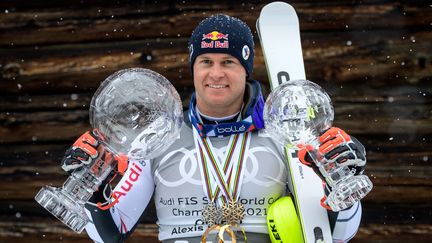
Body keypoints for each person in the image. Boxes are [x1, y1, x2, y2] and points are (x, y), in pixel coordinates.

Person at [61, 14, 366, 243]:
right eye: (205, 61)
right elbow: (109, 234)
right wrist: (96, 189)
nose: (216, 73)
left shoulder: (283, 134)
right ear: (193, 68)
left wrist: (338, 180)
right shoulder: (157, 138)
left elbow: (340, 232)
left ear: (245, 70)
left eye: (228, 62)